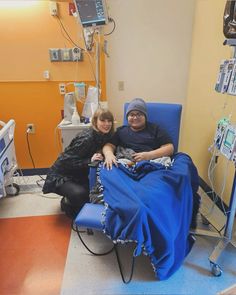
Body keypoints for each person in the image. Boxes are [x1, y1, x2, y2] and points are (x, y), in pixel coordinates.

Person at [43, 108, 114, 219]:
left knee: (98, 191)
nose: (107, 124)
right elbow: (65, 161)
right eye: (103, 120)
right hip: (62, 175)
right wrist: (89, 160)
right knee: (81, 194)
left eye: (109, 121)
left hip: (79, 173)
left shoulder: (106, 136)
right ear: (95, 121)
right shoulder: (87, 138)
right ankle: (67, 204)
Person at [103, 98, 174, 169]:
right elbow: (108, 146)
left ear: (145, 117)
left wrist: (149, 155)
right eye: (131, 115)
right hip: (126, 164)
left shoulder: (155, 129)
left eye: (139, 114)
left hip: (150, 163)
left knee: (182, 158)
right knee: (107, 169)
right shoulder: (121, 131)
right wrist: (109, 155)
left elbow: (169, 148)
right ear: (127, 117)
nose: (135, 117)